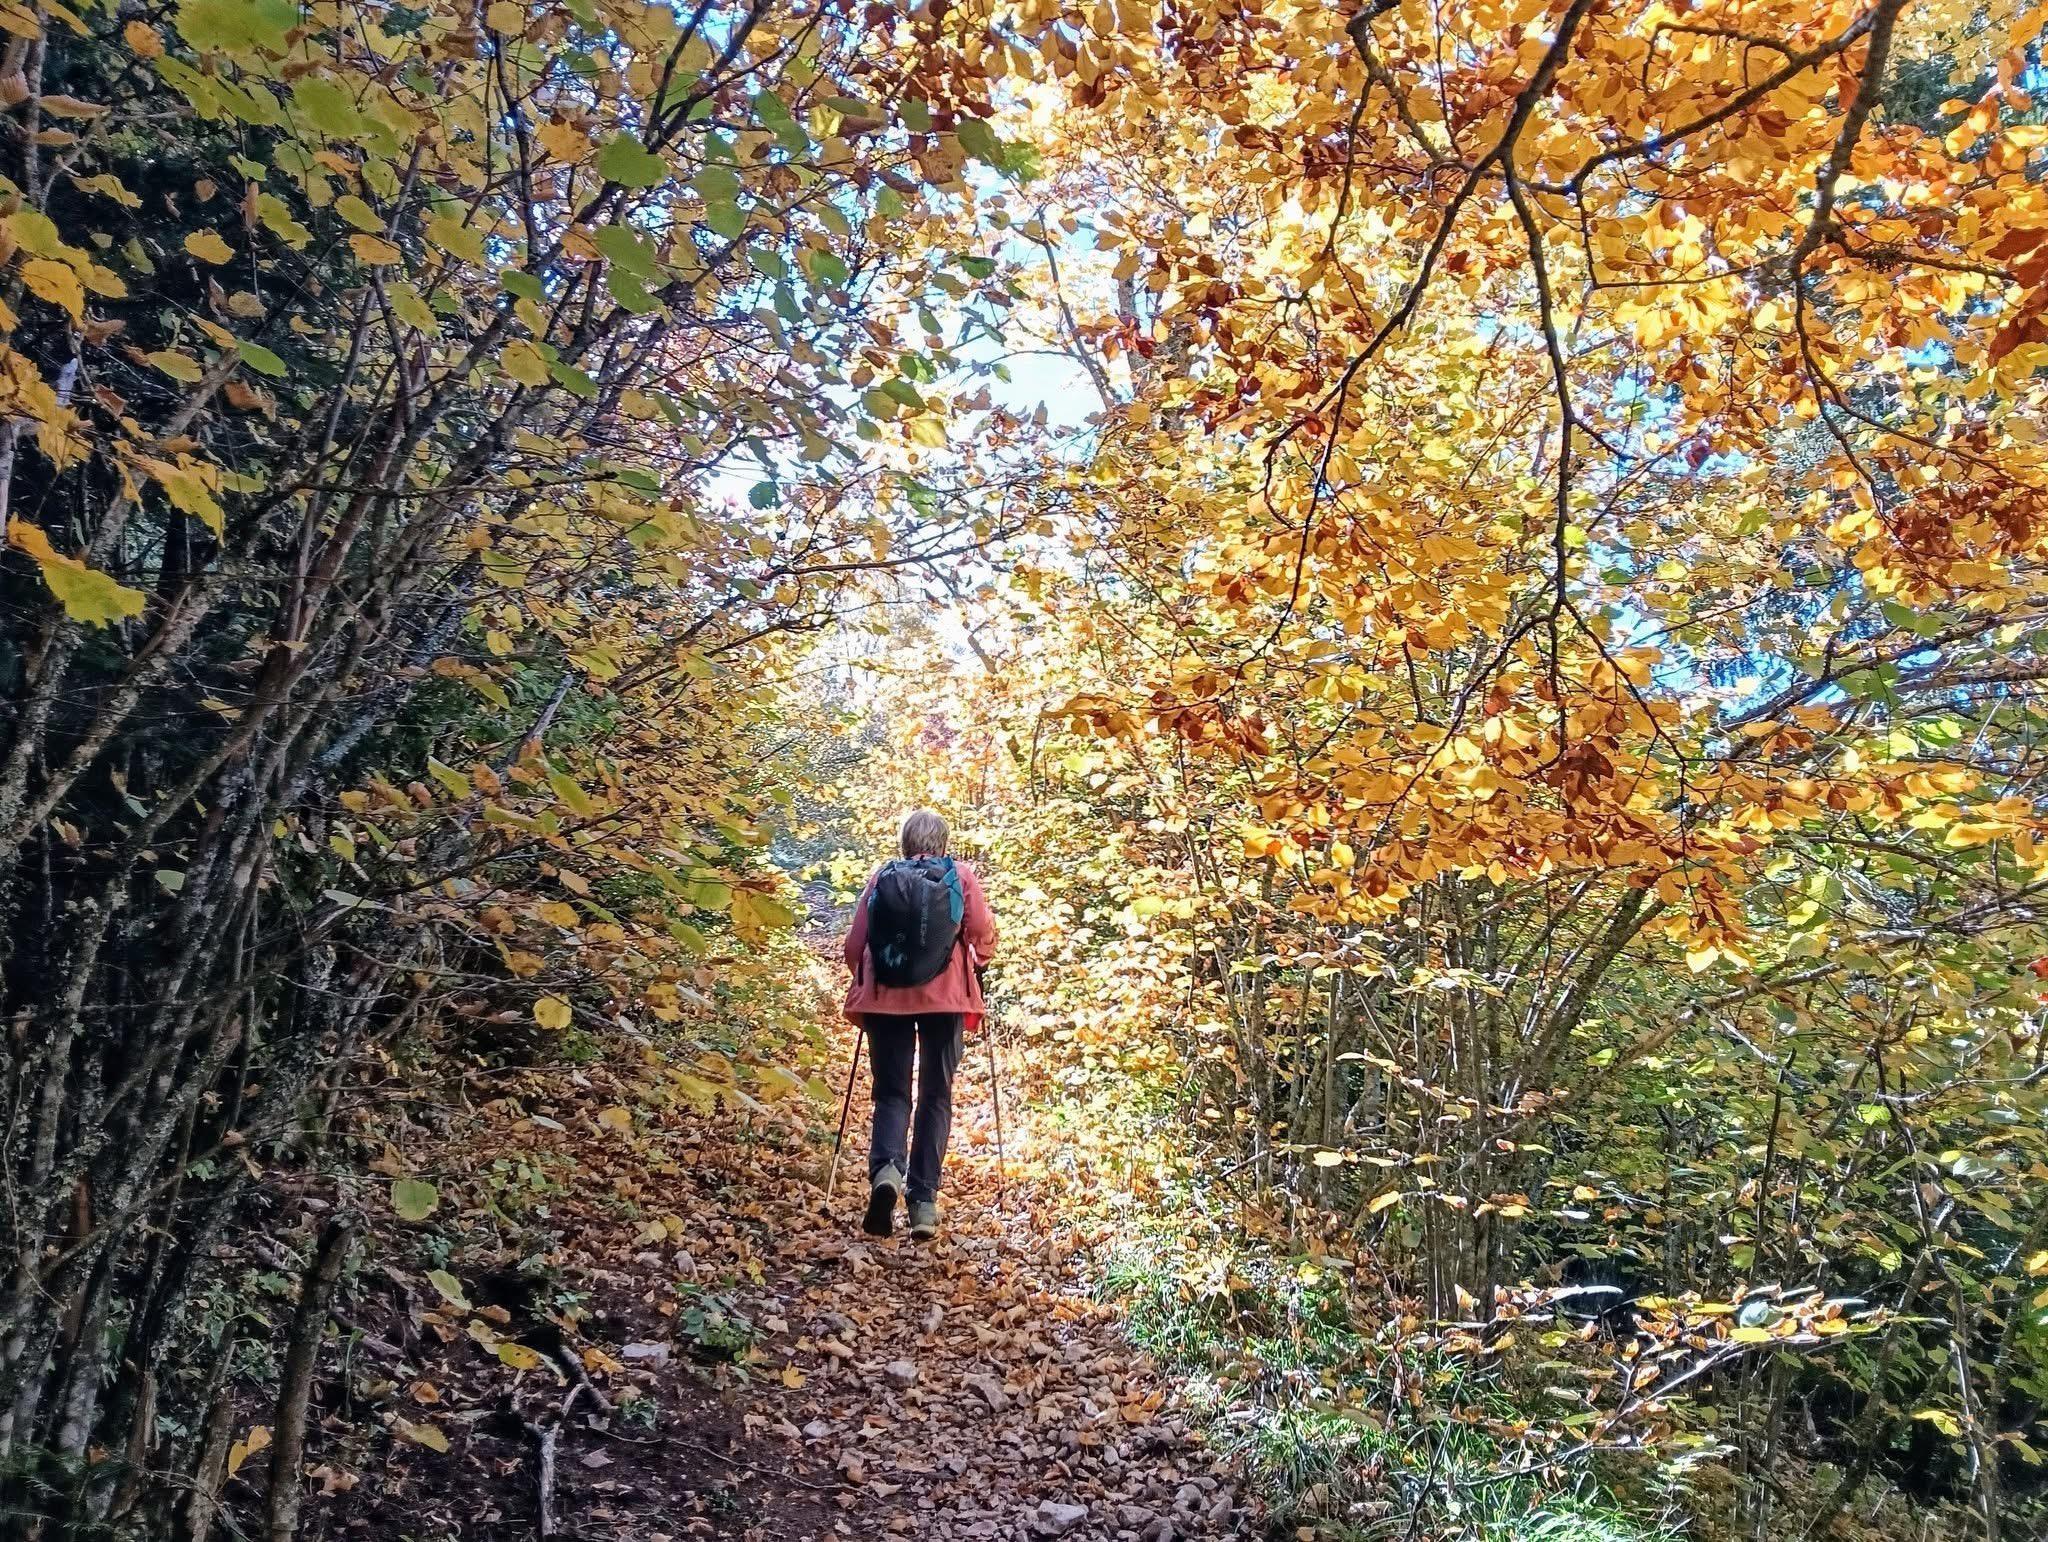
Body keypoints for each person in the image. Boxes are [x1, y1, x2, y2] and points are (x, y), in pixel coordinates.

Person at [841, 808, 997, 1240]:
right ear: (943, 844)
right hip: (944, 1001)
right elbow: (983, 934)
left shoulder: (882, 875)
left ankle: (888, 1170)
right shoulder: (959, 875)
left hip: (886, 1001)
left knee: (892, 1093)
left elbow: (855, 943)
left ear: (904, 843)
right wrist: (976, 965)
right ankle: (923, 1202)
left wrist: (868, 978)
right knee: (936, 1095)